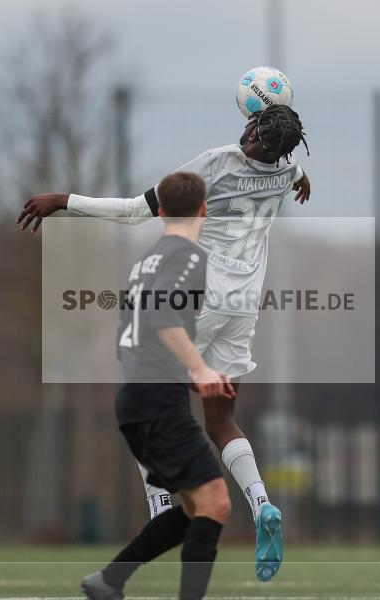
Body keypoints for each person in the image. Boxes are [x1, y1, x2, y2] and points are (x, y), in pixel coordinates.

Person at [19, 104, 310, 581]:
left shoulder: (219, 161)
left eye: (255, 130)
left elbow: (136, 211)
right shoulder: (285, 168)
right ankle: (261, 504)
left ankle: (159, 508)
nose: (248, 135)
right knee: (221, 420)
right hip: (242, 307)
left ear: (256, 128)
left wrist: (64, 201)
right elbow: (293, 167)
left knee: (144, 395)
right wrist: (302, 177)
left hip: (200, 296)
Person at [80, 172, 234, 600]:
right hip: (157, 401)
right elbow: (163, 316)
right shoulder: (189, 256)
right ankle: (112, 581)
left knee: (195, 509)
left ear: (161, 212)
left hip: (137, 396)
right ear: (204, 210)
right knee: (216, 503)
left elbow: (131, 337)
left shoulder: (145, 261)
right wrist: (199, 369)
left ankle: (109, 581)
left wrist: (192, 375)